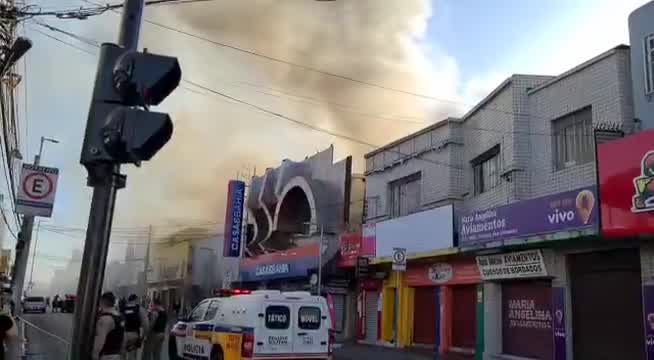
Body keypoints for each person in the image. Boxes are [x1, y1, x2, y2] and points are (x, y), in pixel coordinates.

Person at [92, 292, 124, 360]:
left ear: (102, 302)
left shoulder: (105, 319)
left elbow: (99, 343)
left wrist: (94, 355)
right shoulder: (119, 316)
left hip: (106, 356)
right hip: (116, 355)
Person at [122, 294, 149, 360]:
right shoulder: (139, 308)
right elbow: (146, 324)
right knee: (132, 356)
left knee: (122, 355)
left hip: (123, 334)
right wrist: (144, 335)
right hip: (134, 334)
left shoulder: (123, 308)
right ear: (136, 299)